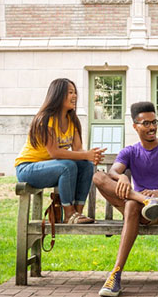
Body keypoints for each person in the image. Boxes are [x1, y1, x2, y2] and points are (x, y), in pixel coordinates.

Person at [93, 101, 158, 297]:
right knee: (98, 177)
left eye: (154, 122)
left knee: (131, 206)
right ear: (135, 126)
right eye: (146, 123)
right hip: (141, 206)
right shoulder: (130, 151)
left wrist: (157, 194)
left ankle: (115, 274)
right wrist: (122, 177)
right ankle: (142, 200)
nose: (152, 127)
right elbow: (111, 172)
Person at [14, 78, 106, 224]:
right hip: (28, 168)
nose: (74, 96)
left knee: (85, 166)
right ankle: (69, 214)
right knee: (67, 166)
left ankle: (77, 213)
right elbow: (54, 153)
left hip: (51, 168)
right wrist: (85, 154)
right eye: (70, 92)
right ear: (58, 95)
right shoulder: (46, 119)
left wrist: (90, 157)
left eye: (75, 92)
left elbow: (77, 150)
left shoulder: (72, 121)